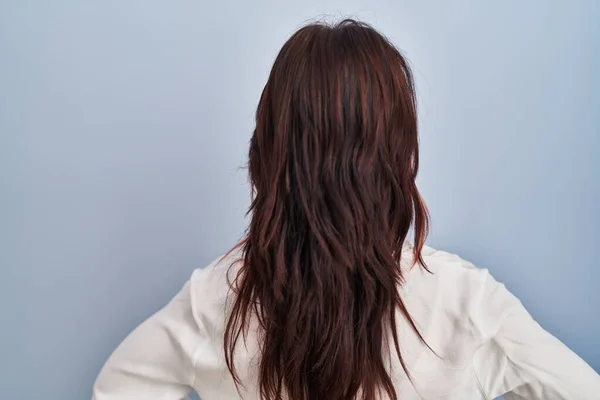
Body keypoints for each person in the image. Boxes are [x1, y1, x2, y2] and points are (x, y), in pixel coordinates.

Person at [92, 19, 600, 400]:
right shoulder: (467, 303)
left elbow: (114, 389)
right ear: (397, 156)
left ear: (268, 149)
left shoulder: (216, 302)